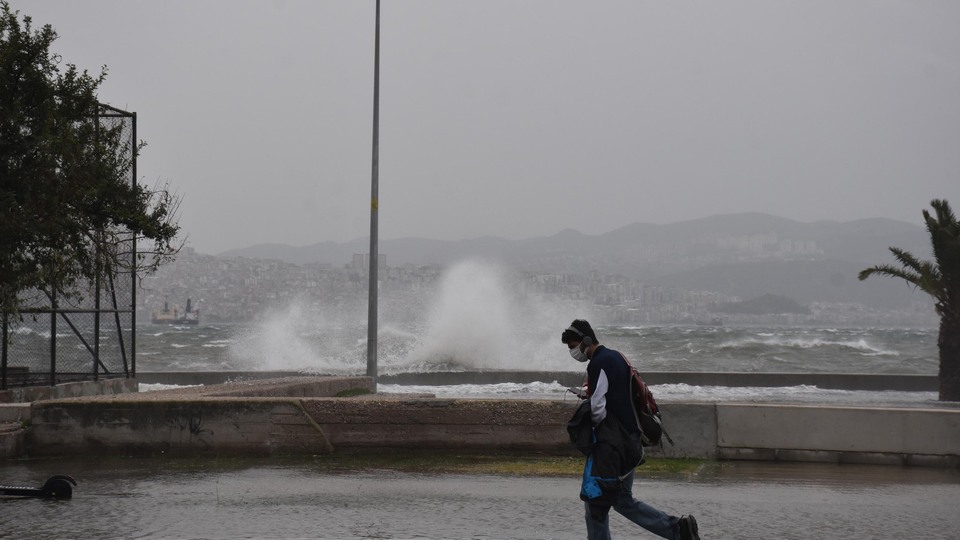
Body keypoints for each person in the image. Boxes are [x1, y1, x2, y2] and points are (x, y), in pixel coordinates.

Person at [562, 319, 702, 540]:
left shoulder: (599, 362)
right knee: (621, 500)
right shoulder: (617, 357)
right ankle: (679, 530)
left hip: (614, 447)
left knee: (596, 503)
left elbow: (598, 406)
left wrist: (596, 427)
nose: (573, 352)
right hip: (630, 441)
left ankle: (678, 529)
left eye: (573, 346)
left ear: (586, 340)